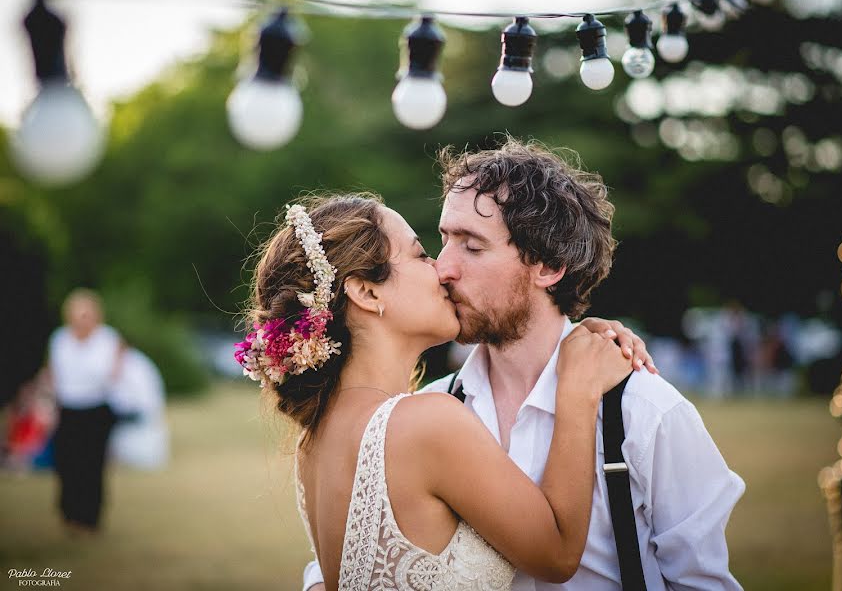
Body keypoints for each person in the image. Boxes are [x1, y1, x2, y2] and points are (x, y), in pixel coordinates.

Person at [304, 137, 745, 590]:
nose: (444, 267)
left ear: (549, 267)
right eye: (443, 241)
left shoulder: (645, 413)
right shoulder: (430, 407)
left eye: (472, 247)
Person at [241, 195, 652, 590]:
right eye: (420, 254)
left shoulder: (315, 439)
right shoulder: (426, 422)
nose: (441, 269)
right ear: (367, 292)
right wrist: (577, 388)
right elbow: (558, 556)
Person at [47, 288, 124, 534]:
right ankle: (69, 512)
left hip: (96, 409)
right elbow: (55, 374)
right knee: (67, 464)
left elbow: (109, 374)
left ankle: (91, 516)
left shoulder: (107, 339)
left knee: (92, 464)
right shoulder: (59, 339)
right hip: (68, 409)